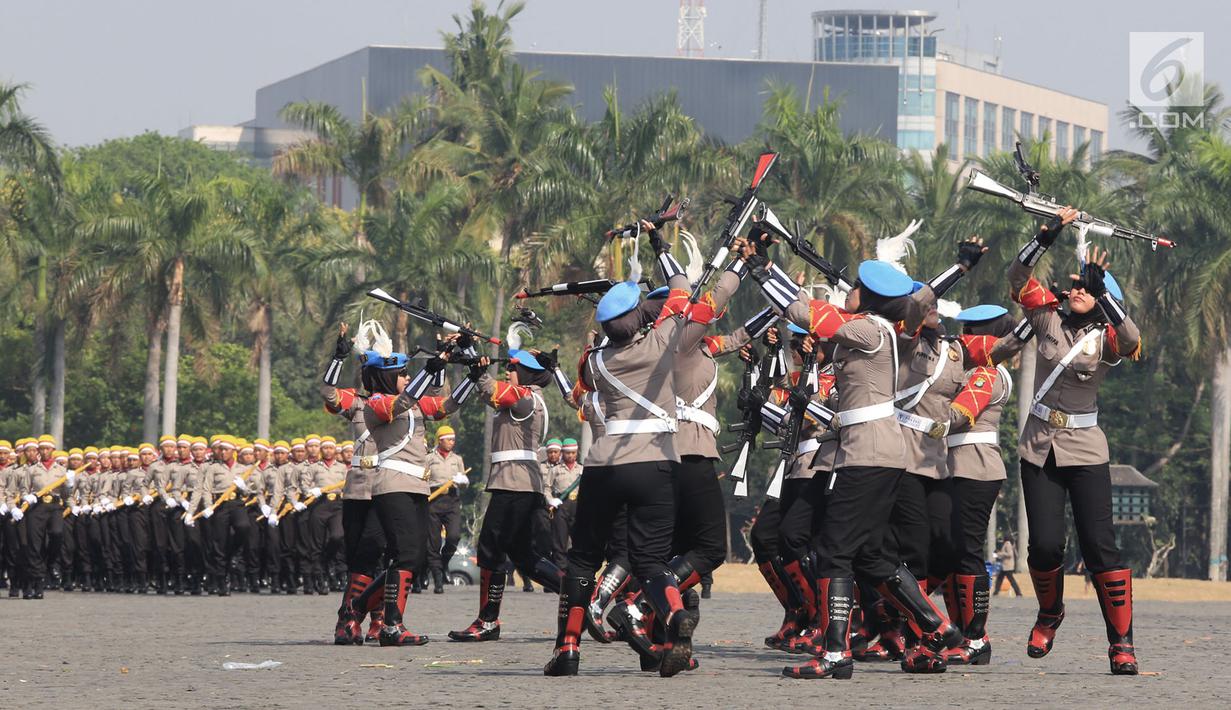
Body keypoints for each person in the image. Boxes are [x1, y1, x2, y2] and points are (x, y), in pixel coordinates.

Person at [1009, 208, 1142, 675]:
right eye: (1077, 286)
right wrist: (1045, 236)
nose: (1078, 290)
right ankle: (1050, 613)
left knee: (1099, 545)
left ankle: (1121, 642)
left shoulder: (1105, 340)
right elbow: (1017, 278)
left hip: (1085, 450)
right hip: (1039, 447)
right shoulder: (1047, 321)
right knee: (1044, 545)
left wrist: (1105, 292)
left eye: (1089, 288)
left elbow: (1130, 338)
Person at [447, 328, 566, 643]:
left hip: (514, 484)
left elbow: (491, 390)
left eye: (514, 368)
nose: (510, 370)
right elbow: (487, 388)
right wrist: (471, 354)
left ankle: (488, 621)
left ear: (527, 373)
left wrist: (477, 363)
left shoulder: (525, 397)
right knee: (525, 556)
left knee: (489, 548)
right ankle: (583, 594)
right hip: (517, 483)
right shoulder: (524, 398)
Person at [425, 425, 467, 594]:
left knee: (454, 536)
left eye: (453, 440)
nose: (452, 443)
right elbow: (423, 478)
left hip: (452, 500)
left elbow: (464, 479)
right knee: (433, 543)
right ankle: (437, 579)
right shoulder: (429, 458)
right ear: (440, 440)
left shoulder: (457, 459)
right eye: (449, 439)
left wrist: (463, 480)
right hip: (433, 500)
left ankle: (443, 564)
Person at [545, 439, 583, 570]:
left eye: (573, 453)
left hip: (578, 506)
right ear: (563, 453)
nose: (570, 456)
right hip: (561, 506)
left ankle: (576, 571)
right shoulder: (555, 470)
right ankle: (560, 573)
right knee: (559, 542)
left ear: (577, 453)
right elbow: (546, 487)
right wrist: (550, 500)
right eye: (567, 453)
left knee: (579, 541)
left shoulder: (582, 470)